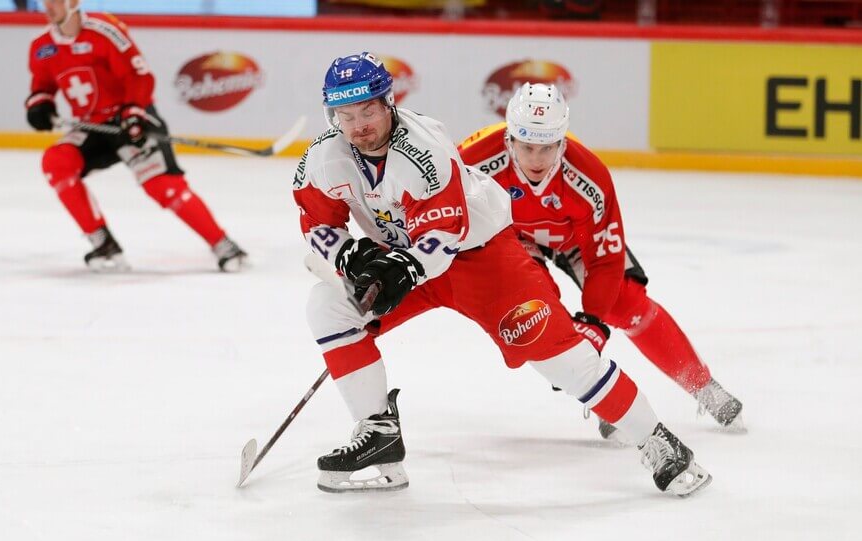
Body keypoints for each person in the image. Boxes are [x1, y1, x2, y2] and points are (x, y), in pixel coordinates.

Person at [293, 52, 712, 496]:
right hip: (403, 258)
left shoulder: (424, 149)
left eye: (368, 111)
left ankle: (659, 442)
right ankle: (379, 435)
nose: (358, 125)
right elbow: (318, 223)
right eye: (346, 114)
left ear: (388, 103)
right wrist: (350, 257)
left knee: (562, 360)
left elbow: (444, 234)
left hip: (481, 259)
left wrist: (399, 267)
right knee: (328, 306)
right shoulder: (322, 159)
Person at [457, 83, 744, 442]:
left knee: (625, 301)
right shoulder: (469, 161)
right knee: (537, 314)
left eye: (547, 148)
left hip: (576, 238)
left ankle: (702, 385)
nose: (535, 159)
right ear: (508, 140)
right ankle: (607, 396)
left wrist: (594, 323)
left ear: (562, 143)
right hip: (510, 236)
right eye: (527, 146)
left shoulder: (589, 176)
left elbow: (606, 260)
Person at [25, 0, 247, 272]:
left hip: (129, 120)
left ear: (73, 2)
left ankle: (223, 243)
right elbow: (42, 85)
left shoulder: (105, 30)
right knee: (56, 161)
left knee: (162, 186)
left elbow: (138, 74)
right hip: (92, 128)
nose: (48, 6)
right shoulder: (41, 47)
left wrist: (133, 111)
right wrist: (40, 104)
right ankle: (102, 241)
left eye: (55, 0)